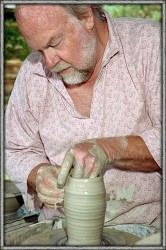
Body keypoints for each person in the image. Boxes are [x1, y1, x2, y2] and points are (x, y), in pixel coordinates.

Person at [5, 4, 161, 226]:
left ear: (86, 16)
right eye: (39, 50)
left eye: (55, 43)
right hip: (61, 228)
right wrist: (37, 173)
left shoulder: (149, 46)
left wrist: (110, 149)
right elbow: (15, 149)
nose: (49, 62)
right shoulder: (32, 73)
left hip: (149, 223)